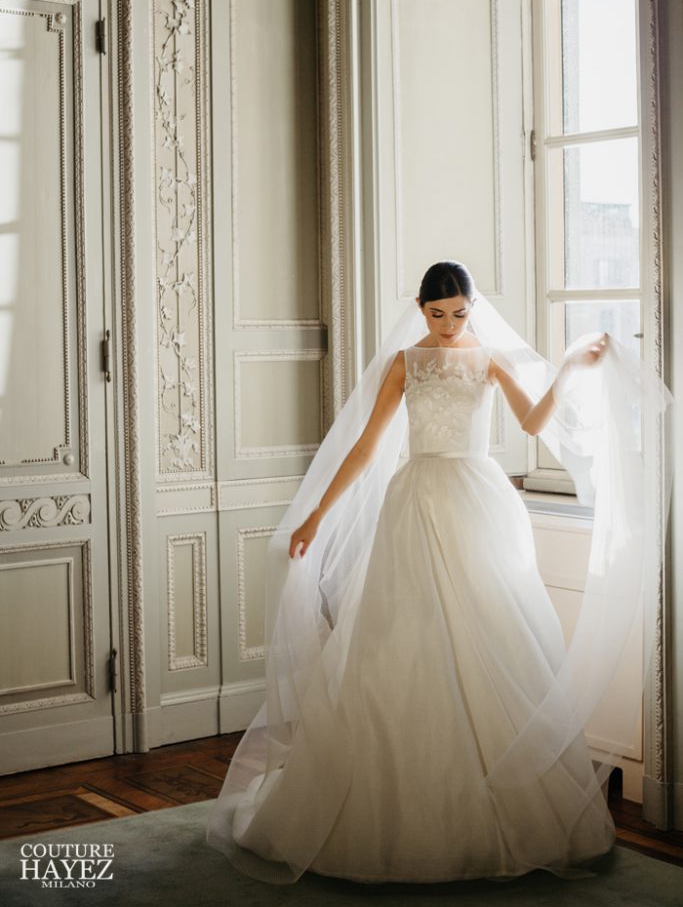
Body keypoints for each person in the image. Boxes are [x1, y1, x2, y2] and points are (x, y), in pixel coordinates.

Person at [206, 261, 672, 886]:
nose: (449, 326)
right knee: (402, 640)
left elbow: (534, 423)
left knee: (495, 632)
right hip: (417, 501)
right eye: (437, 314)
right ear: (420, 307)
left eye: (459, 313)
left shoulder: (489, 358)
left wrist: (569, 369)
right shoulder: (407, 363)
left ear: (472, 305)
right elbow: (368, 447)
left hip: (479, 504)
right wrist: (316, 516)